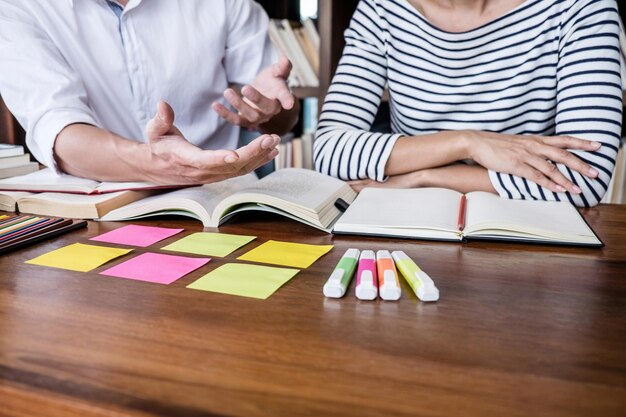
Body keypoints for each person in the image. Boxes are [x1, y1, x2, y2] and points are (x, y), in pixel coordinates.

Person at [314, 0, 623, 207]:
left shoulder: (580, 8)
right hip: (411, 224)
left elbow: (585, 177)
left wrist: (425, 177)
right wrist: (468, 143)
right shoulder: (381, 10)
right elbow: (329, 151)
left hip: (526, 228)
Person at [0, 0, 299, 184]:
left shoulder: (226, 3)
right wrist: (165, 166)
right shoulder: (17, 8)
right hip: (98, 207)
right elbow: (60, 133)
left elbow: (284, 118)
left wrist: (273, 109)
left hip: (221, 198)